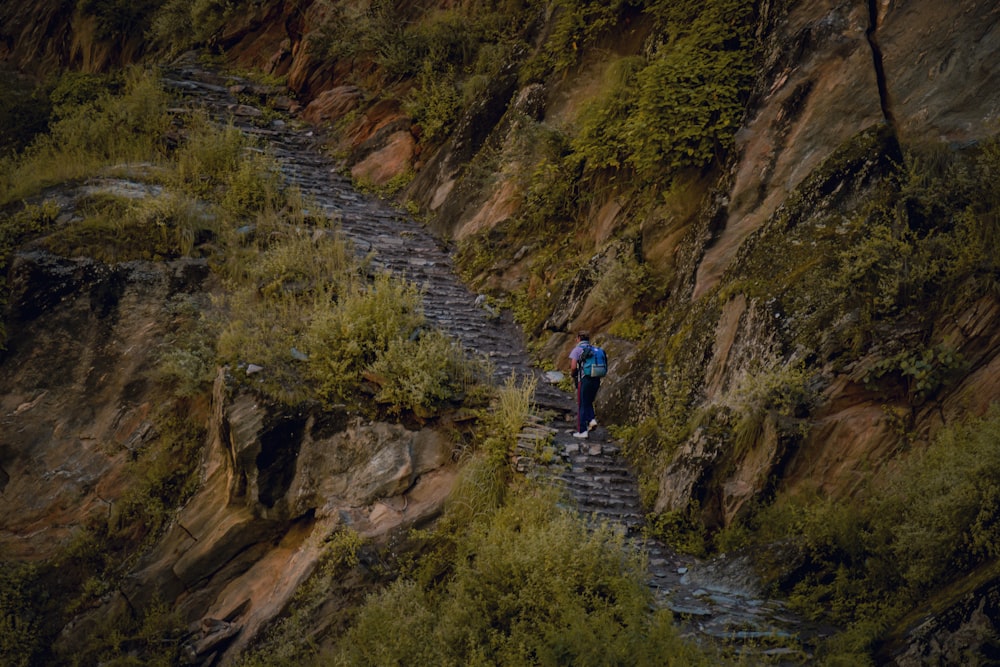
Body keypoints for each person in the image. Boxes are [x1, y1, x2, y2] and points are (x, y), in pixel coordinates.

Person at [569, 332, 601, 439]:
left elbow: (573, 366)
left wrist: (573, 375)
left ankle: (582, 431)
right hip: (596, 379)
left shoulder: (577, 350)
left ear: (578, 339)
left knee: (582, 403)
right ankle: (591, 420)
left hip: (584, 379)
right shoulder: (594, 349)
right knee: (588, 401)